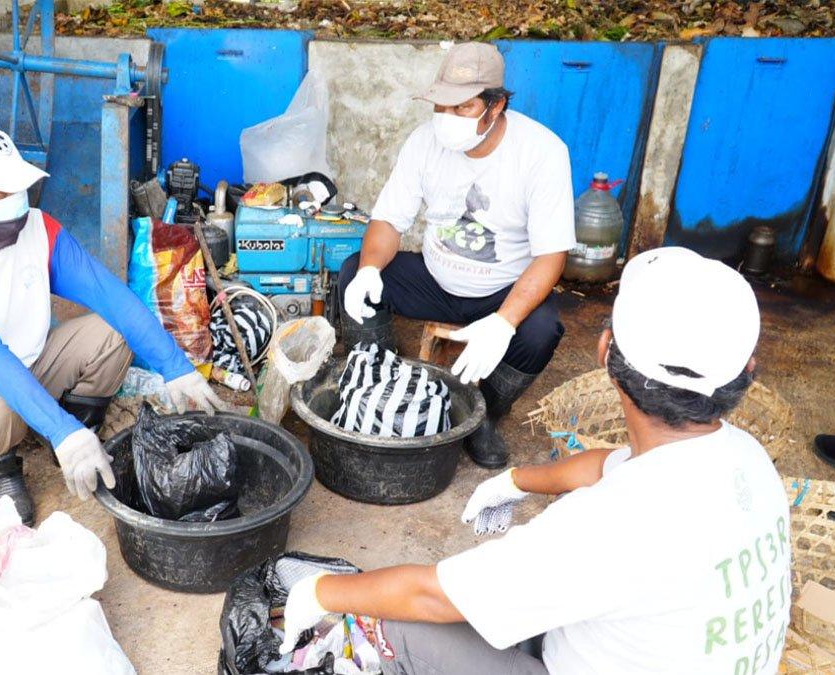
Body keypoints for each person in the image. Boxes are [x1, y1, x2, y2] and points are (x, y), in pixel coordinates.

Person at [283, 247, 791, 674]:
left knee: (393, 623)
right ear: (744, 373)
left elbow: (431, 596)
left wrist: (322, 593)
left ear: (604, 351)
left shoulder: (606, 526)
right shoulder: (745, 459)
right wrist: (516, 481)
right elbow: (606, 466)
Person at [0, 122, 225, 526]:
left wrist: (176, 367)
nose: (16, 199)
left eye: (17, 186)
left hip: (30, 361)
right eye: (0, 190)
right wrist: (63, 431)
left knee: (112, 332)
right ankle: (3, 469)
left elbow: (111, 297)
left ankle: (77, 427)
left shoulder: (39, 229)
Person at [339, 42, 575, 469]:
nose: (446, 120)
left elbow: (550, 256)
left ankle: (481, 413)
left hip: (502, 289)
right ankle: (378, 384)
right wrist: (372, 268)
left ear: (496, 105)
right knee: (354, 273)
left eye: (462, 107)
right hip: (436, 278)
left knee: (541, 331)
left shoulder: (543, 153)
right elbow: (389, 221)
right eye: (441, 106)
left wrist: (505, 322)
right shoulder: (422, 142)